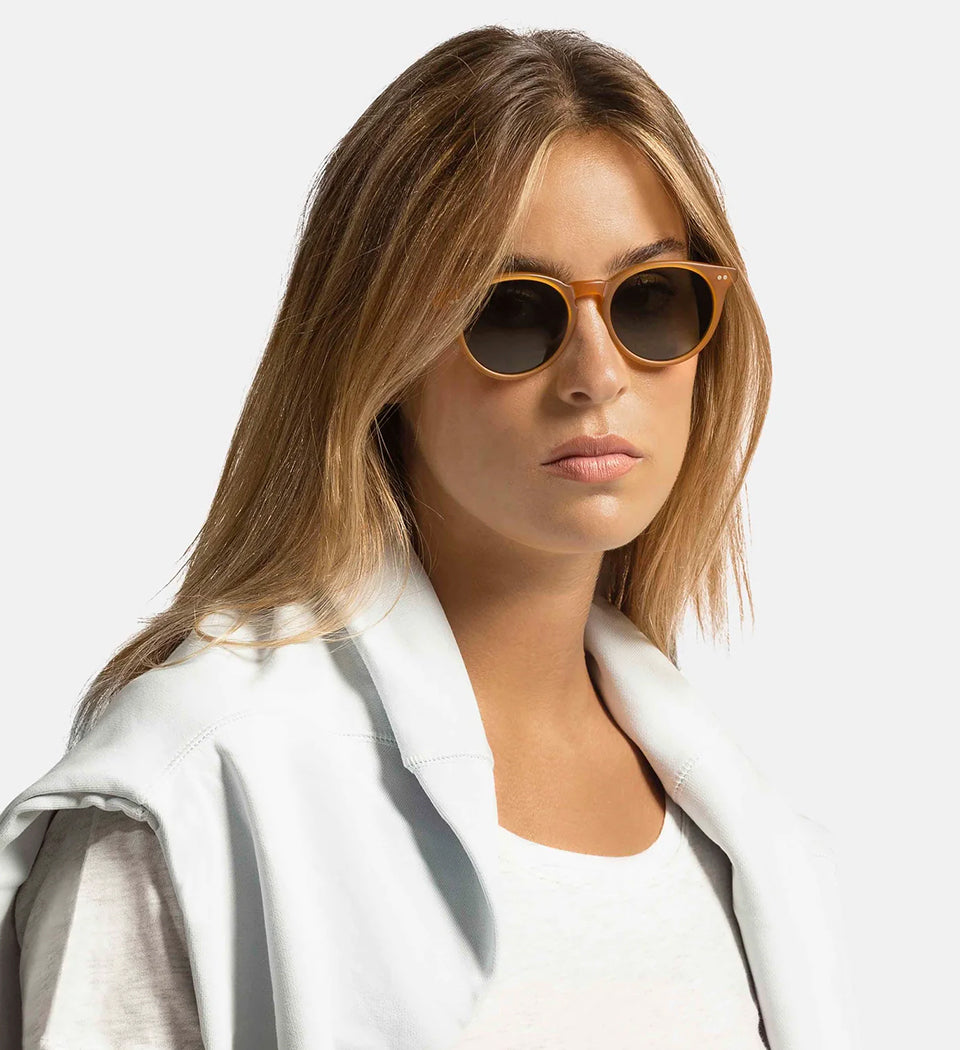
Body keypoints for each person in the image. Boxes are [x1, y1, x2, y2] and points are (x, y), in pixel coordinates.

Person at [0, 24, 860, 1050]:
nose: (598, 375)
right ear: (382, 354)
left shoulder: (754, 843)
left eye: (652, 301)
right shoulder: (195, 785)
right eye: (512, 312)